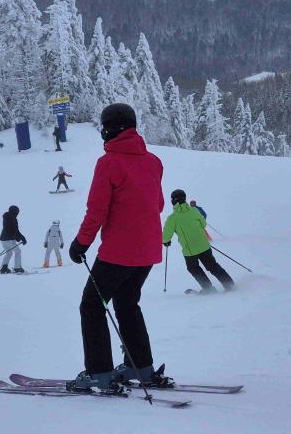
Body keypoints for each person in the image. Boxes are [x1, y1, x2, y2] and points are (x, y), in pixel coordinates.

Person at [67, 103, 166, 392]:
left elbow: (96, 211)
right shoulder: (153, 161)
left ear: (109, 129)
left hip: (119, 253)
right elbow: (158, 205)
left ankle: (99, 372)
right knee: (127, 303)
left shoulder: (108, 163)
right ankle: (141, 367)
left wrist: (80, 243)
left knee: (92, 305)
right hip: (147, 252)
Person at [164, 189, 234, 293]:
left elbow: (166, 236)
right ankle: (229, 284)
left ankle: (208, 288)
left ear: (173, 200)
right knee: (212, 266)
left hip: (190, 251)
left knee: (193, 268)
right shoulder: (194, 211)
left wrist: (166, 241)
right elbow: (203, 224)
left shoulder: (172, 218)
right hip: (204, 246)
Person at [0, 205, 27, 274]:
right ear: (14, 211)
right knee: (18, 251)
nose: (17, 214)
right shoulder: (12, 218)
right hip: (9, 239)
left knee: (9, 253)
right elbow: (15, 230)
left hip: (3, 239)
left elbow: (13, 230)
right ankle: (17, 268)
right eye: (17, 212)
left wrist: (19, 237)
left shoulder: (6, 217)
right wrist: (22, 238)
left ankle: (3, 268)